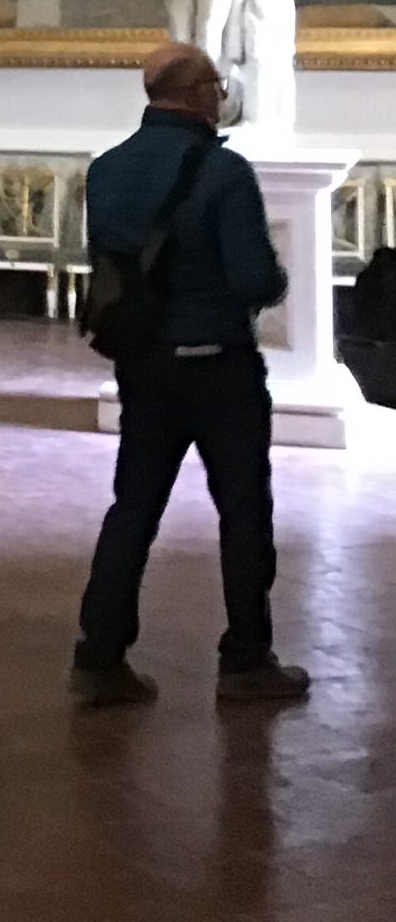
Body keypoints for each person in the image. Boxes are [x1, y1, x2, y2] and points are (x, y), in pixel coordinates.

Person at [72, 42, 307, 708]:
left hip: (143, 363)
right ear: (201, 94)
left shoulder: (107, 169)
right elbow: (255, 279)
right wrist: (276, 282)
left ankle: (99, 657)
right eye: (218, 88)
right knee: (243, 511)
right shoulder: (224, 172)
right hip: (218, 367)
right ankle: (246, 661)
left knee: (133, 509)